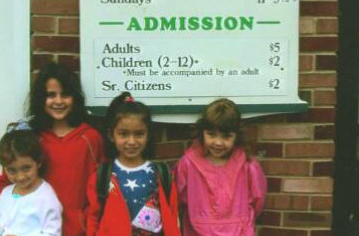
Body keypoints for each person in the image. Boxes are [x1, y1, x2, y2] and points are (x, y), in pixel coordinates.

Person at [0, 62, 105, 236]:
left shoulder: (90, 138)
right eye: (51, 95)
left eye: (65, 94)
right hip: (33, 230)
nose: (58, 101)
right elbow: (5, 179)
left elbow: (99, 189)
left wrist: (91, 229)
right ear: (40, 98)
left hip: (75, 231)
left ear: (75, 98)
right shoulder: (31, 136)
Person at [86, 92, 182, 236]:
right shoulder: (103, 175)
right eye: (123, 134)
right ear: (112, 135)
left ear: (148, 135)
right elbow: (93, 217)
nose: (131, 141)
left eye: (139, 134)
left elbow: (172, 215)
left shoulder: (161, 173)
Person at [175, 98, 267, 236]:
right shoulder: (187, 164)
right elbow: (178, 199)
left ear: (236, 136)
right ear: (202, 132)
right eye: (211, 135)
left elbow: (257, 200)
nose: (218, 142)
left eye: (226, 136)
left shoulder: (248, 166)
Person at [0, 127, 62, 236]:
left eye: (26, 168)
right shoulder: (6, 193)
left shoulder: (46, 197)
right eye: (12, 170)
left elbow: (52, 234)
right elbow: (1, 219)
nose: (20, 177)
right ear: (4, 168)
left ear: (38, 162)